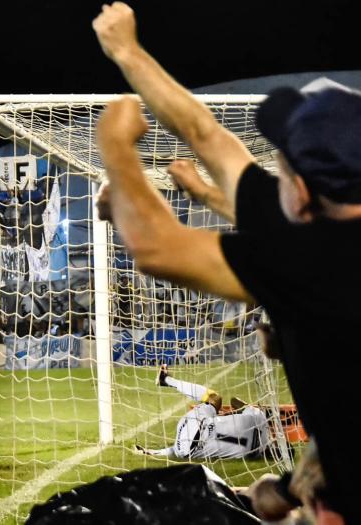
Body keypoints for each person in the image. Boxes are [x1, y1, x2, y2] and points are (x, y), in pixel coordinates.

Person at [92, 3, 361, 521]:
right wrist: (127, 51)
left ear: (302, 192)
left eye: (279, 166)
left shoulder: (314, 257)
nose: (267, 175)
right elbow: (207, 134)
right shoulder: (320, 226)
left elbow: (157, 247)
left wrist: (117, 150)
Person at [135, 365, 270, 460]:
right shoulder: (251, 455)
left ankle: (166, 380)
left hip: (196, 423)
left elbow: (235, 401)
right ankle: (151, 453)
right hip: (187, 450)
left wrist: (240, 411)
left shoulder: (259, 417)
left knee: (215, 399)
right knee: (189, 449)